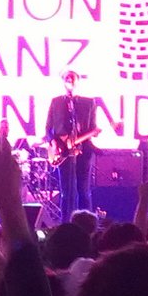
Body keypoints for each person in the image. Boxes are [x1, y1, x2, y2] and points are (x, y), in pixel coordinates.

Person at [45, 68, 97, 223]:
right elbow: (48, 128)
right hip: (62, 152)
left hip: (83, 150)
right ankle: (65, 223)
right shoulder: (56, 102)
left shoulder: (88, 102)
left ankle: (87, 224)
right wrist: (54, 143)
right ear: (63, 81)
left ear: (77, 81)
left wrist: (82, 138)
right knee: (66, 192)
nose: (70, 80)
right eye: (67, 77)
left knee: (83, 190)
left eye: (72, 77)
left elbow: (93, 128)